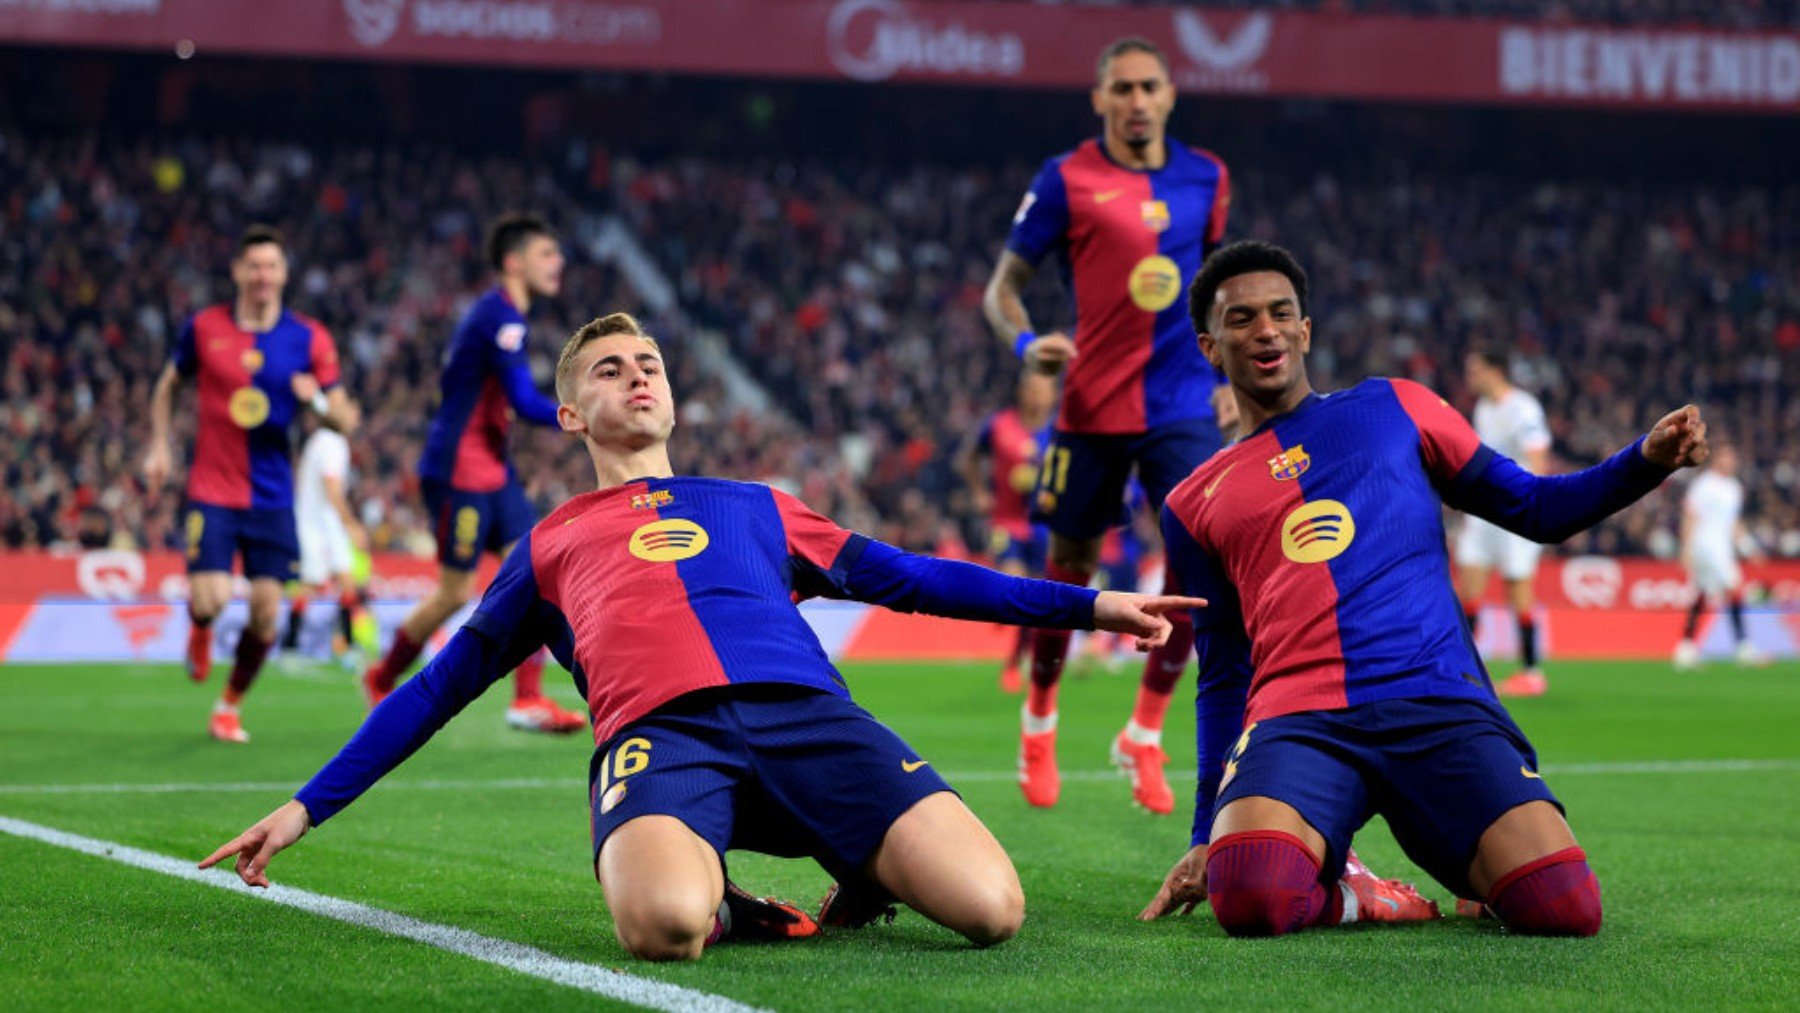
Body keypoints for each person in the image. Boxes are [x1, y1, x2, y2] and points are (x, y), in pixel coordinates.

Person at [201, 313, 1206, 961]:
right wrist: (302, 809)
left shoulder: (758, 505)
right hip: (663, 741)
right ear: (569, 409)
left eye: (649, 363)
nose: (636, 376)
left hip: (813, 719)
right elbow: (435, 688)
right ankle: (731, 896)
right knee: (667, 925)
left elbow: (911, 579)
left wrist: (1089, 604)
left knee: (994, 909)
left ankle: (850, 852)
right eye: (609, 369)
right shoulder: (547, 543)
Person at [1140, 241, 1709, 937]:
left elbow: (1535, 507)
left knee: (1565, 907)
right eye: (1243, 318)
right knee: (1250, 898)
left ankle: (1468, 863)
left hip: (1436, 700)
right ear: (1210, 345)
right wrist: (1205, 830)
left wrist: (1642, 462)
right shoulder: (1193, 501)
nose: (1266, 329)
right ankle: (1356, 891)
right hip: (1300, 718)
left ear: (1306, 329)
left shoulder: (1396, 406)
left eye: (1282, 313)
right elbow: (1224, 671)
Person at [984, 36, 1232, 814]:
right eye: (1120, 88)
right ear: (1098, 99)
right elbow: (1002, 291)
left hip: (1183, 404)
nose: (1135, 101)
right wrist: (1028, 344)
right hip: (1092, 405)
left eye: (1148, 87)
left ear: (1170, 95)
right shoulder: (1066, 178)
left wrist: (1227, 376)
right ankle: (1039, 719)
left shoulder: (1207, 176)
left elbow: (1221, 287)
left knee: (1198, 567)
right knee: (1069, 572)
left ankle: (1145, 733)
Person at [361, 214, 585, 734]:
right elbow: (524, 401)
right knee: (454, 591)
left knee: (538, 566)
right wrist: (582, 416)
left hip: (492, 468)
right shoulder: (498, 316)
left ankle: (527, 699)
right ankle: (381, 675)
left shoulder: (504, 317)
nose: (559, 264)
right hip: (458, 469)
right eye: (547, 254)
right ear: (514, 261)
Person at [143, 224, 356, 743]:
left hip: (272, 498)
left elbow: (346, 420)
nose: (263, 275)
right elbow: (168, 385)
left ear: (284, 274)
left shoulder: (308, 337)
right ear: (238, 271)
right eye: (254, 266)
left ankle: (228, 706)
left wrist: (318, 402)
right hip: (212, 489)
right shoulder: (204, 327)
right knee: (213, 599)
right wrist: (159, 444)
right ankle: (199, 626)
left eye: (272, 266)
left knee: (265, 619)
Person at [1455, 348, 1555, 697]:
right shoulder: (1483, 408)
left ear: (1495, 371)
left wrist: (1535, 506)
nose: (1470, 377)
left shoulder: (1523, 407)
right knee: (1469, 585)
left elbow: (1538, 455)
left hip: (1516, 507)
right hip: (1484, 511)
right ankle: (1463, 670)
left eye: (1475, 369)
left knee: (1518, 589)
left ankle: (1531, 672)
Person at [955, 371, 1056, 692]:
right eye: (1034, 390)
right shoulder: (999, 425)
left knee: (1037, 596)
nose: (1040, 397)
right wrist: (979, 492)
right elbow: (968, 457)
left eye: (1046, 391)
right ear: (1023, 392)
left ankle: (1017, 660)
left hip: (1044, 527)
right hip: (1006, 523)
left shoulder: (1059, 431)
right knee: (1016, 583)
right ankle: (1009, 630)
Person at [282, 407, 377, 667]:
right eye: (351, 408)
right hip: (318, 524)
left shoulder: (320, 441)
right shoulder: (332, 443)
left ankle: (346, 645)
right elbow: (332, 488)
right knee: (310, 584)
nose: (356, 413)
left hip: (324, 522)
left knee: (346, 580)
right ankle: (289, 646)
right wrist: (351, 525)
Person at [1674, 444, 1768, 669]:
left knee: (1703, 594)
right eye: (1727, 457)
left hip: (1722, 547)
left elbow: (1733, 523)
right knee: (1735, 588)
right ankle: (1744, 648)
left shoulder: (1734, 488)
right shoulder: (1704, 484)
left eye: (1733, 457)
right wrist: (1686, 548)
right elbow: (1690, 516)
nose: (1731, 461)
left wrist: (1748, 547)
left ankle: (1685, 649)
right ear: (1717, 459)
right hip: (1705, 546)